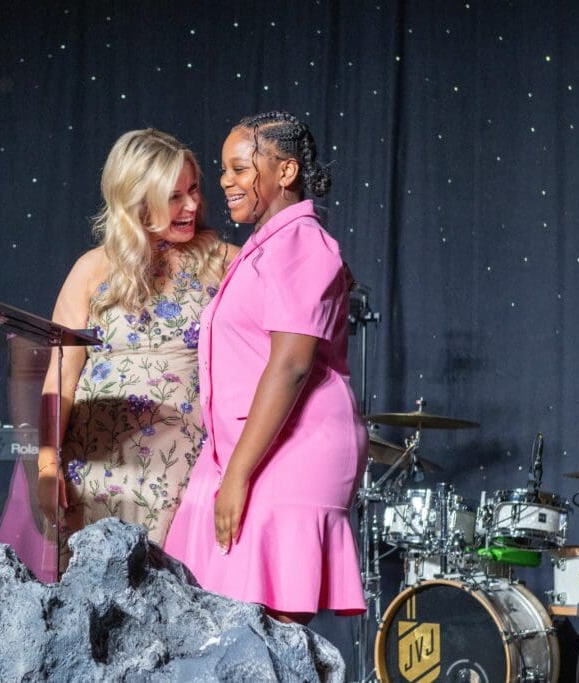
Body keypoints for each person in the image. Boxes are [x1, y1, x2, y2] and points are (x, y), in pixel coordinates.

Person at [164, 112, 367, 623]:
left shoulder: (300, 243)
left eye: (239, 168)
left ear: (286, 171)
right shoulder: (267, 246)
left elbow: (292, 365)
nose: (225, 181)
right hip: (241, 453)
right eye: (224, 170)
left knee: (265, 641)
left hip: (289, 452)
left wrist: (237, 475)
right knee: (209, 628)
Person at [36, 128, 238, 568]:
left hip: (182, 473)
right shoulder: (91, 269)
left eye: (193, 189)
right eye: (174, 196)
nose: (192, 205)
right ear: (137, 200)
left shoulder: (225, 262)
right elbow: (61, 377)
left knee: (171, 595)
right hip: (93, 469)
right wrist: (47, 466)